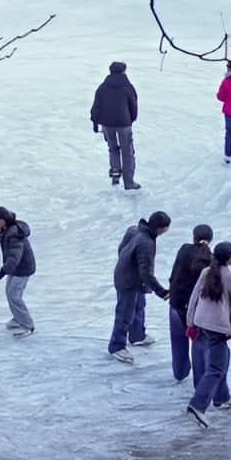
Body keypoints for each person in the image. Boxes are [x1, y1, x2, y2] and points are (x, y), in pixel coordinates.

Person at [184, 241, 231, 428]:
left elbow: (193, 298)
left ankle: (222, 397)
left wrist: (190, 322)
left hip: (201, 323)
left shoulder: (206, 272)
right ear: (229, 258)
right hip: (217, 328)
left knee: (224, 357)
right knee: (216, 368)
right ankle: (197, 405)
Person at [109, 211, 171, 364]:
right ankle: (116, 346)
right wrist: (161, 291)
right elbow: (146, 272)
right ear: (160, 228)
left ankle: (137, 335)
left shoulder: (134, 229)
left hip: (132, 278)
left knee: (139, 306)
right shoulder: (146, 243)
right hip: (128, 281)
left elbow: (121, 248)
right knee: (125, 313)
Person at [165, 224, 214, 385]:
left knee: (178, 341)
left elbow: (174, 274)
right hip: (197, 311)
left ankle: (180, 372)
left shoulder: (184, 250)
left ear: (193, 236)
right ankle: (199, 383)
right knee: (199, 346)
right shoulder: (210, 260)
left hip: (177, 304)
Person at [91, 61, 141, 190]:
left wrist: (95, 122)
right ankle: (129, 182)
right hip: (124, 123)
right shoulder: (128, 87)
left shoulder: (102, 87)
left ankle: (115, 176)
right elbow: (133, 105)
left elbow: (96, 106)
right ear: (124, 71)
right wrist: (131, 119)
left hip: (107, 124)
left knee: (113, 149)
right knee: (127, 151)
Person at [0, 207, 36, 337]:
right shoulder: (9, 227)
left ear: (2, 221)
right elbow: (3, 233)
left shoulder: (15, 236)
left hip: (22, 268)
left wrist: (2, 272)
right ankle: (18, 318)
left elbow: (14, 257)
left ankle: (27, 325)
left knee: (15, 296)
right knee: (10, 293)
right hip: (16, 268)